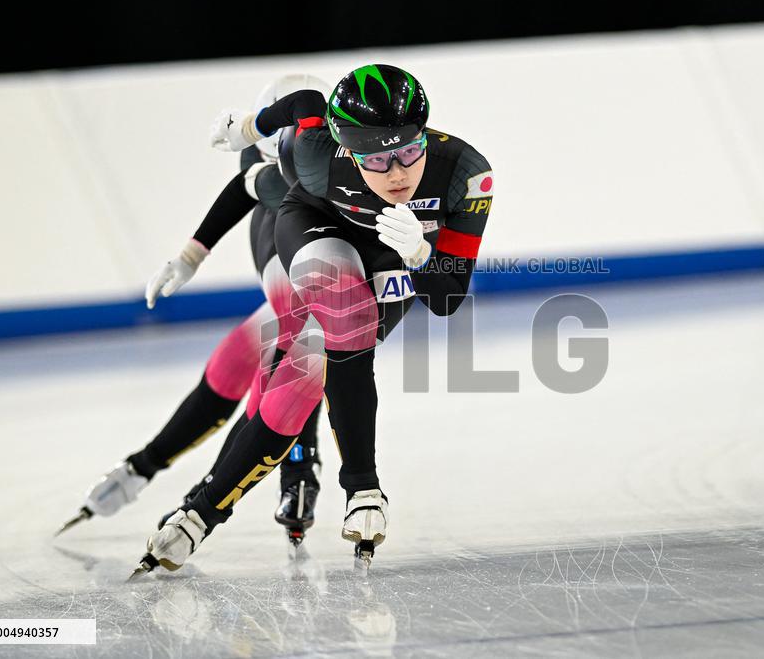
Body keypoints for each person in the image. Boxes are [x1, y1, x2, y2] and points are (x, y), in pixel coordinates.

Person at [134, 64, 494, 574]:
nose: (397, 173)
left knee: (310, 370)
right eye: (378, 159)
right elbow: (293, 115)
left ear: (425, 135)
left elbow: (446, 299)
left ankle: (200, 511)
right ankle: (359, 487)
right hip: (315, 224)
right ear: (345, 148)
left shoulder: (465, 174)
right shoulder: (312, 154)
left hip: (393, 253)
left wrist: (418, 254)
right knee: (335, 326)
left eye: (410, 151)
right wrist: (249, 131)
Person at [57, 75, 333, 549]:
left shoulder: (302, 163)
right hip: (303, 279)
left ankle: (185, 490)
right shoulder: (269, 169)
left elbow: (246, 187)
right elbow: (240, 191)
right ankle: (152, 470)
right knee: (246, 365)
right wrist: (190, 255)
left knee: (276, 372)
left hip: (311, 285)